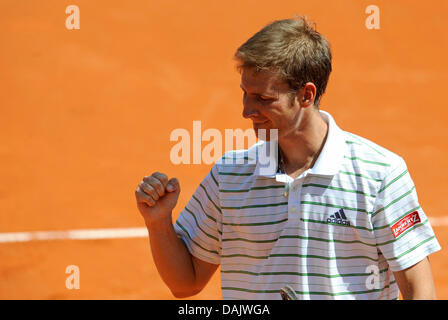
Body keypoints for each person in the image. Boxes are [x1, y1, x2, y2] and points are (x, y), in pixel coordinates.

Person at [135, 16, 441, 300]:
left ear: (306, 95)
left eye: (264, 99)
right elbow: (185, 283)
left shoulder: (380, 174)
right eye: (245, 93)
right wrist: (159, 222)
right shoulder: (228, 176)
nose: (247, 110)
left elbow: (419, 287)